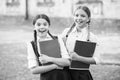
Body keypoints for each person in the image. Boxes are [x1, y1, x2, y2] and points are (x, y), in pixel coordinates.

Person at [61, 6, 102, 80]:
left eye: (82, 16)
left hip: (81, 75)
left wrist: (78, 58)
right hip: (64, 73)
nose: (79, 18)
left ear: (88, 19)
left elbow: (97, 60)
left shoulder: (92, 37)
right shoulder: (66, 33)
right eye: (76, 15)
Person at [27, 14, 71, 80]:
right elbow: (34, 70)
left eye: (45, 24)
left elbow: (67, 62)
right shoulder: (32, 44)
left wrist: (49, 59)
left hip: (63, 77)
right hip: (46, 77)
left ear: (48, 26)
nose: (42, 27)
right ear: (34, 27)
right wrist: (55, 66)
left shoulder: (57, 38)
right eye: (38, 25)